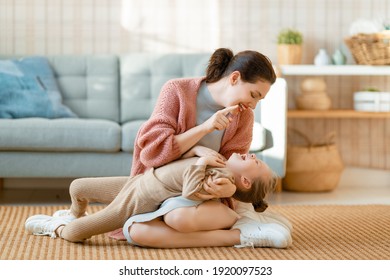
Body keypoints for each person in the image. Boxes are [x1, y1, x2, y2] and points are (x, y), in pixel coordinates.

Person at [25, 147, 290, 248]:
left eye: (257, 163)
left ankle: (59, 227)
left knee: (76, 233)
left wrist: (201, 162)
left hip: (140, 198)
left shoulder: (226, 183)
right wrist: (200, 152)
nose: (253, 156)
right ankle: (73, 212)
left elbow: (189, 191)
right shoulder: (220, 164)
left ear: (245, 181)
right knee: (78, 187)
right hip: (140, 181)